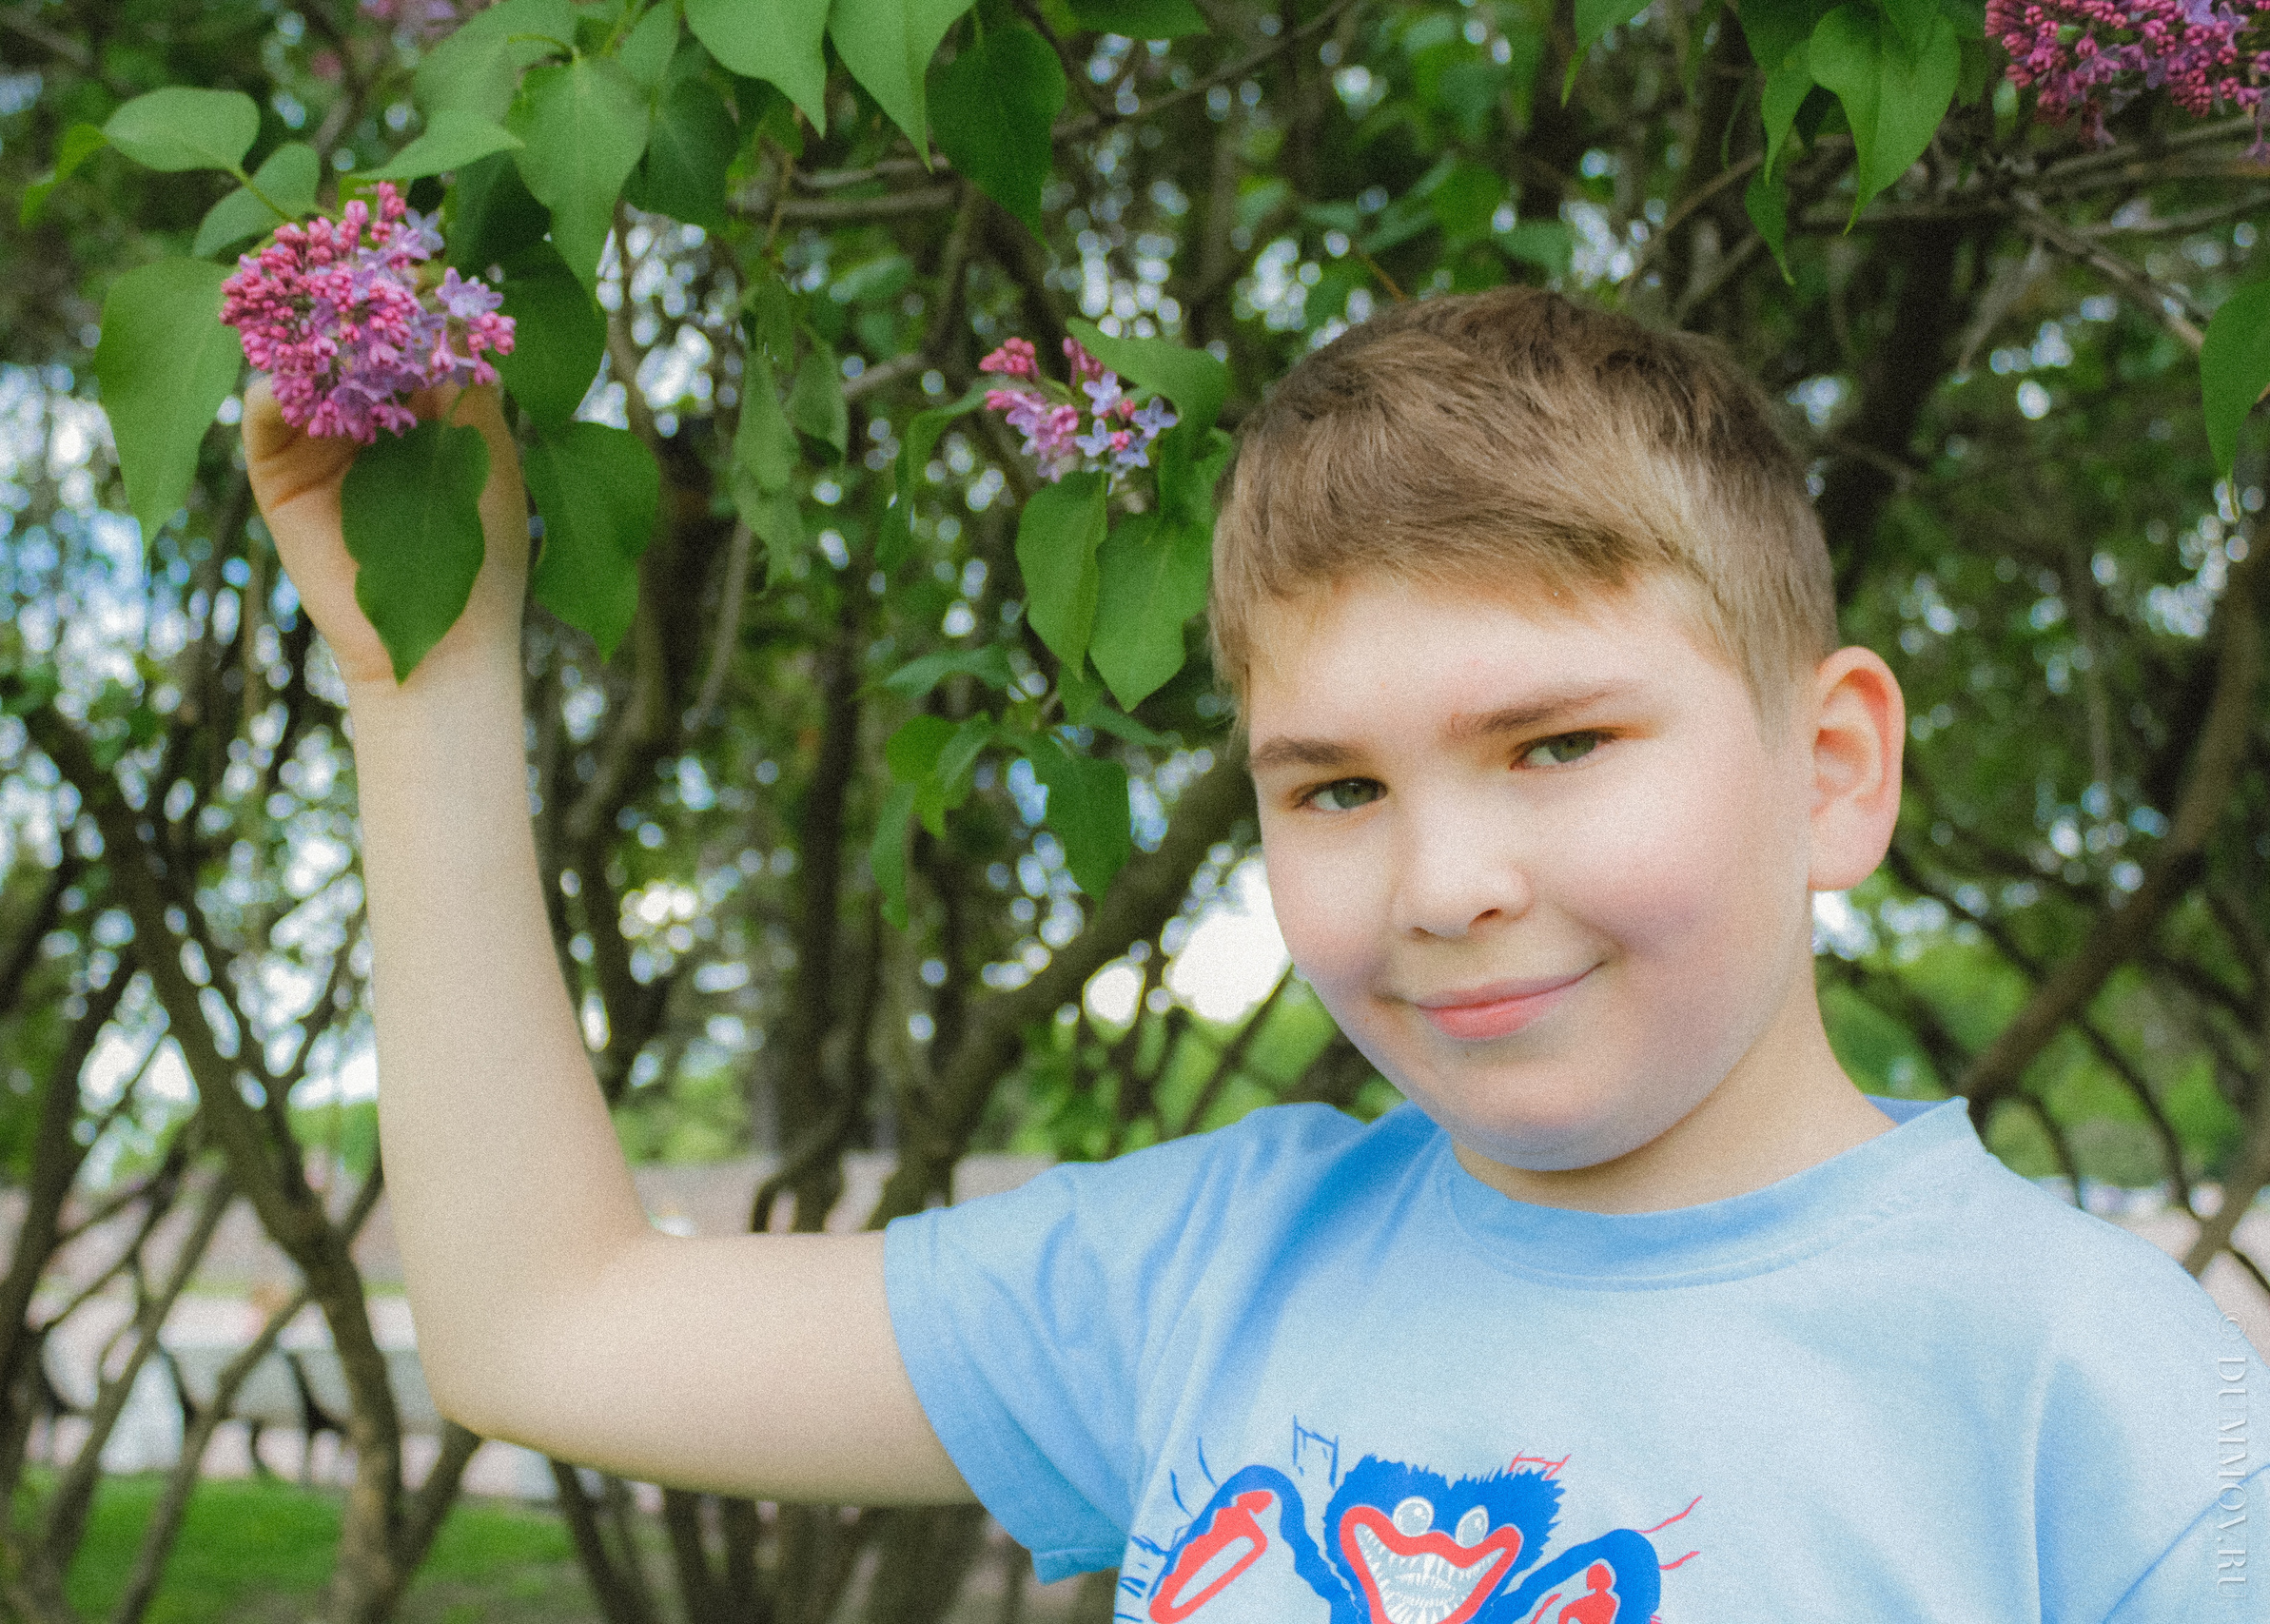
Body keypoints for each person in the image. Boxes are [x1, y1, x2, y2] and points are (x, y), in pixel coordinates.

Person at [245, 287, 2260, 1622]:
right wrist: (424, 660)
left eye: (1554, 742)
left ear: (1828, 769)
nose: (1444, 879)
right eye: (1331, 786)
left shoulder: (2110, 1418)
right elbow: (544, 1327)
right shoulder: (1208, 1271)